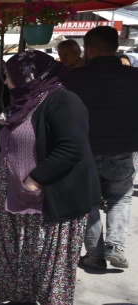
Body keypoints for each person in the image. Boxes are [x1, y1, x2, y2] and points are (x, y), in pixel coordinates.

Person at [0, 50, 100, 305]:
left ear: (29, 75)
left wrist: (35, 179)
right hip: (17, 193)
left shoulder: (63, 100)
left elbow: (71, 148)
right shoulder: (25, 100)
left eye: (10, 76)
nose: (7, 82)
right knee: (19, 253)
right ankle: (22, 302)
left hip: (53, 194)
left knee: (54, 261)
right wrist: (4, 189)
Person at [63, 26, 138, 270]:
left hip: (86, 150)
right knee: (120, 198)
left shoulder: (73, 79)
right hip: (123, 148)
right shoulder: (134, 76)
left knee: (89, 201)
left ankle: (94, 256)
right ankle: (115, 247)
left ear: (91, 49)